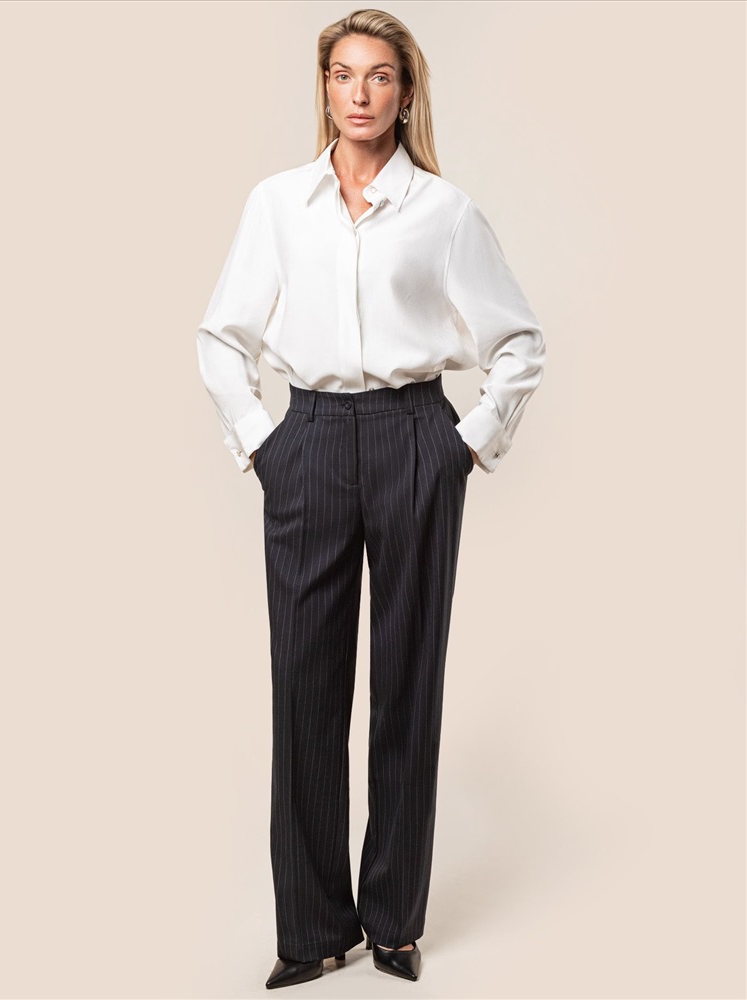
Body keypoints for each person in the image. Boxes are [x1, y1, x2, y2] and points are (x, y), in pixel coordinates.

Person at [196, 8, 546, 991]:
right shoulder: (278, 204)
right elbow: (222, 337)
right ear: (323, 89)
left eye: (379, 75)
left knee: (407, 681)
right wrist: (263, 441)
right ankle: (311, 928)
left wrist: (464, 444)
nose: (359, 92)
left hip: (411, 436)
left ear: (405, 91)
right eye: (343, 74)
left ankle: (392, 919)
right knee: (305, 685)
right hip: (308, 440)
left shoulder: (444, 211)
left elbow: (518, 341)